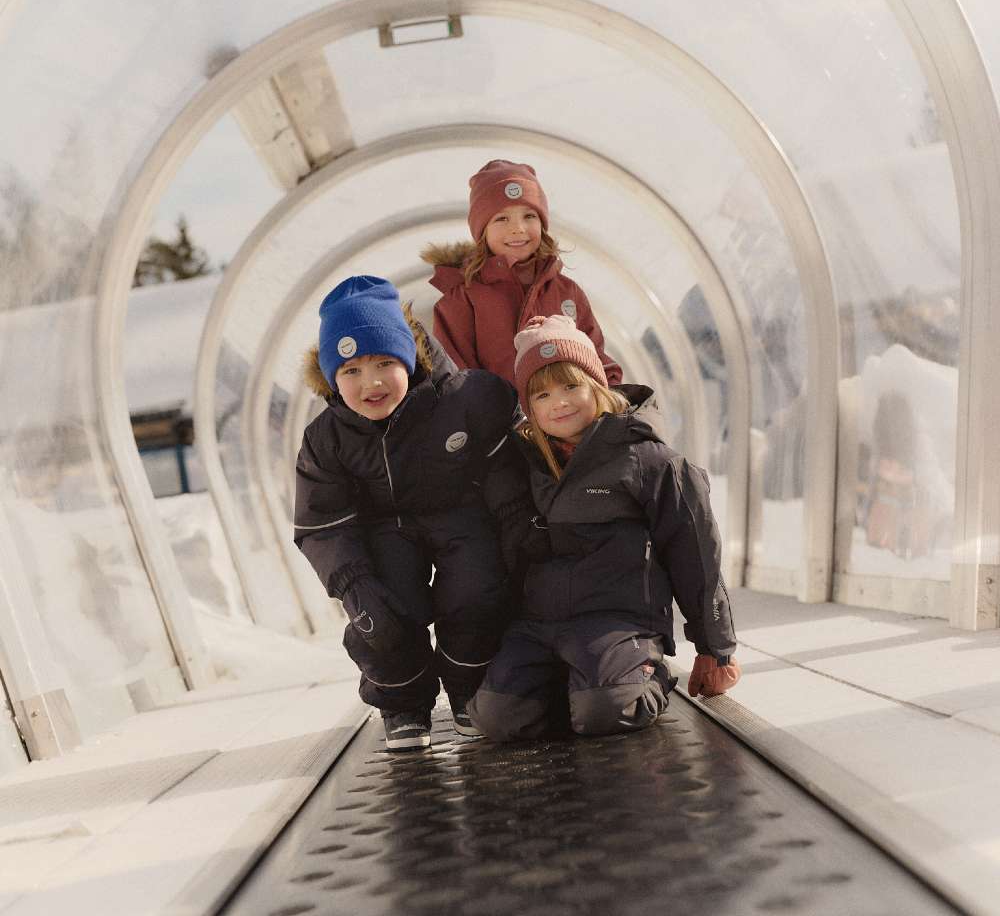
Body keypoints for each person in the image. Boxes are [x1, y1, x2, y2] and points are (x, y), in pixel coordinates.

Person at [469, 315, 740, 741]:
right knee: (497, 718)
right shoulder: (524, 464)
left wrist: (715, 649)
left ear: (597, 385)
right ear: (529, 407)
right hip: (539, 624)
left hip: (618, 621)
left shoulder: (648, 460)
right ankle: (577, 687)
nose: (559, 402)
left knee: (608, 711)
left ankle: (641, 677)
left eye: (571, 386)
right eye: (542, 394)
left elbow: (696, 555)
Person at [293, 276, 532, 751]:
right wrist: (354, 585)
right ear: (331, 379)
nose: (372, 383)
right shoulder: (328, 439)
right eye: (352, 371)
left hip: (461, 515)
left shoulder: (465, 400)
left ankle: (468, 688)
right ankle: (403, 702)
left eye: (385, 363)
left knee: (478, 593)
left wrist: (517, 533)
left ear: (412, 358)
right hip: (384, 530)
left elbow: (507, 466)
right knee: (381, 614)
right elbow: (321, 522)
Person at [420, 159, 623, 387]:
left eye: (529, 216)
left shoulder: (567, 292)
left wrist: (613, 401)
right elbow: (456, 378)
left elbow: (596, 359)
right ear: (482, 232)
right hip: (497, 420)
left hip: (569, 417)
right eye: (501, 218)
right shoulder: (462, 300)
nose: (518, 228)